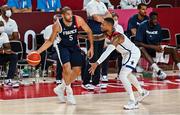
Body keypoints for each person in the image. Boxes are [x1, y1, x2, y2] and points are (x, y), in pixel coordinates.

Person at [35, 7, 94, 105]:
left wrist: (91, 47)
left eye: (71, 14)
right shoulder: (57, 25)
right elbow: (50, 41)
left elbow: (89, 31)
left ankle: (60, 88)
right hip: (62, 47)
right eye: (68, 14)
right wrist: (38, 51)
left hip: (74, 46)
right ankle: (69, 92)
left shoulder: (78, 19)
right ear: (62, 16)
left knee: (77, 70)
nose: (70, 16)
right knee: (67, 68)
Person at [89, 18, 149, 110]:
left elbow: (108, 51)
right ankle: (142, 92)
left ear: (110, 26)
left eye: (103, 24)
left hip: (132, 53)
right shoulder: (107, 33)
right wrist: (81, 36)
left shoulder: (118, 37)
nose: (101, 26)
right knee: (128, 75)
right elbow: (97, 37)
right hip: (126, 54)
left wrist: (97, 63)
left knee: (122, 75)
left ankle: (133, 101)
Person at [135, 12, 180, 79]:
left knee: (173, 49)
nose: (155, 20)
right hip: (145, 48)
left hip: (154, 48)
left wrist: (159, 47)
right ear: (149, 19)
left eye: (156, 19)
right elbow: (137, 43)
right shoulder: (143, 25)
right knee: (141, 48)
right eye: (153, 19)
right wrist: (153, 47)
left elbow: (159, 41)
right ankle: (158, 71)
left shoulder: (158, 26)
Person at [81, 0, 111, 90]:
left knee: (98, 58)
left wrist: (101, 17)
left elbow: (109, 16)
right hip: (92, 35)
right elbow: (96, 18)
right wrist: (103, 17)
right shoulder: (90, 4)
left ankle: (96, 81)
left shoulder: (102, 4)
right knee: (92, 57)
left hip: (101, 35)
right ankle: (85, 82)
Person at [101, 12, 123, 82]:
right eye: (114, 19)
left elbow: (121, 40)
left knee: (122, 53)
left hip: (117, 48)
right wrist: (113, 43)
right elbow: (105, 43)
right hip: (108, 48)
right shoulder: (105, 28)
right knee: (106, 51)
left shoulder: (120, 28)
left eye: (117, 19)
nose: (116, 21)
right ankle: (104, 75)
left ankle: (120, 75)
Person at [0, 21, 18, 87]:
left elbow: (8, 47)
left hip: (1, 55)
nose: (1, 28)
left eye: (2, 26)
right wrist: (3, 51)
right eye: (0, 26)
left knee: (14, 56)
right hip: (2, 53)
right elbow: (5, 50)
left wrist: (7, 51)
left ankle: (8, 79)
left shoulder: (4, 34)